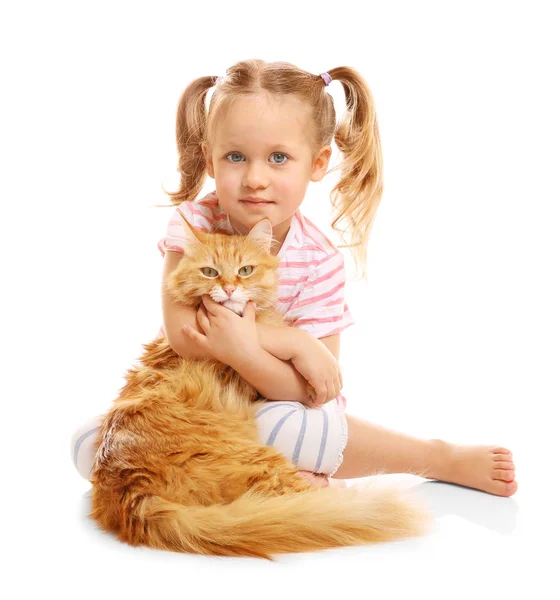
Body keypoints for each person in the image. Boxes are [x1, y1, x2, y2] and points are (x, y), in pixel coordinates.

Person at [71, 59, 517, 496]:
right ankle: (264, 482)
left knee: (299, 428)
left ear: (318, 163)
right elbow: (184, 336)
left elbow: (314, 391)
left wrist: (244, 350)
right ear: (209, 160)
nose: (255, 178)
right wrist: (292, 342)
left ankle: (436, 458)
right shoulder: (194, 223)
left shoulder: (319, 261)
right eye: (235, 156)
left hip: (274, 406)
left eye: (279, 157)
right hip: (197, 412)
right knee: (91, 443)